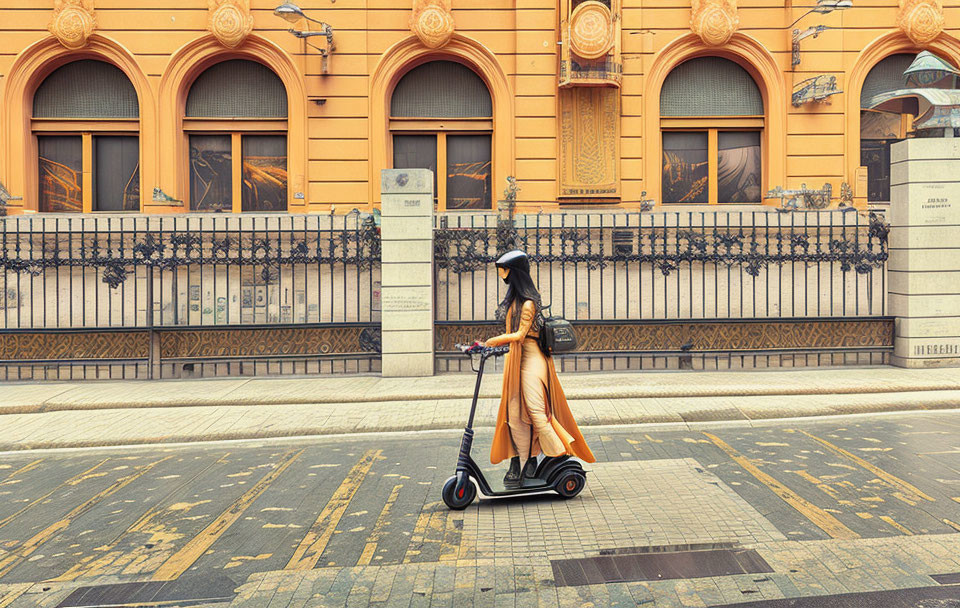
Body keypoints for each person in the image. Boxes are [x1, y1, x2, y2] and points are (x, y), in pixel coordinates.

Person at [483, 250, 595, 485]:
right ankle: (523, 459)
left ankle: (559, 453)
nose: (502, 275)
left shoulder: (529, 303)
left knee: (535, 412)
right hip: (516, 359)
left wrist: (495, 340)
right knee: (514, 414)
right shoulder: (513, 301)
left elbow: (522, 334)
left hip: (533, 361)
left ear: (515, 273)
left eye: (505, 271)